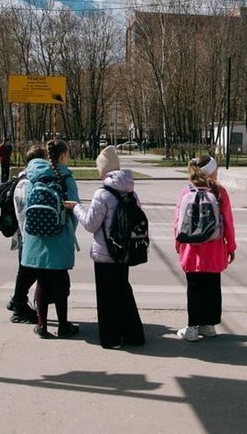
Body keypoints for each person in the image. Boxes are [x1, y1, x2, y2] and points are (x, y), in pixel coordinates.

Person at [64, 146, 145, 349]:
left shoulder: (102, 193)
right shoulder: (131, 192)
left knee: (107, 297)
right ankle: (134, 335)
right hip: (125, 252)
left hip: (105, 253)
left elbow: (91, 225)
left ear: (103, 169)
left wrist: (76, 208)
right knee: (124, 291)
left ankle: (111, 339)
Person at [17, 139, 80, 339]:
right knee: (61, 280)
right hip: (59, 233)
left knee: (42, 281)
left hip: (35, 236)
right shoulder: (65, 177)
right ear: (62, 156)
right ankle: (63, 326)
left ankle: (42, 326)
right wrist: (69, 232)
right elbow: (74, 208)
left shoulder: (32, 176)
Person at [173, 154, 237, 342]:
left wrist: (178, 244)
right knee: (212, 287)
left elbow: (178, 222)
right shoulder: (219, 192)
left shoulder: (186, 191)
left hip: (191, 250)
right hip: (214, 249)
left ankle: (192, 328)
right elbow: (228, 222)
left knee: (194, 289)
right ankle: (209, 326)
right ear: (211, 172)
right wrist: (231, 247)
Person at [6, 143, 46, 324]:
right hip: (30, 235)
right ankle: (18, 305)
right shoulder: (30, 182)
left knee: (25, 270)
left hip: (22, 234)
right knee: (29, 270)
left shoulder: (20, 180)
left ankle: (17, 301)